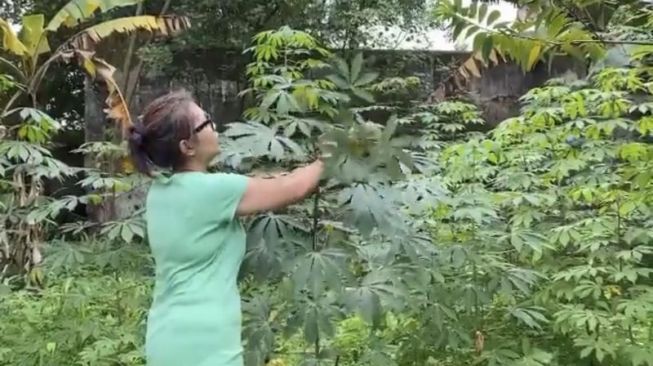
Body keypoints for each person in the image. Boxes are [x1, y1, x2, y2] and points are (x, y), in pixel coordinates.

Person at [127, 89, 324, 366]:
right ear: (187, 146)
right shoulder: (214, 191)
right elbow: (294, 187)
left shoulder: (161, 190)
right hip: (206, 342)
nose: (213, 124)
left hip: (166, 337)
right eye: (205, 120)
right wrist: (330, 156)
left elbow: (263, 185)